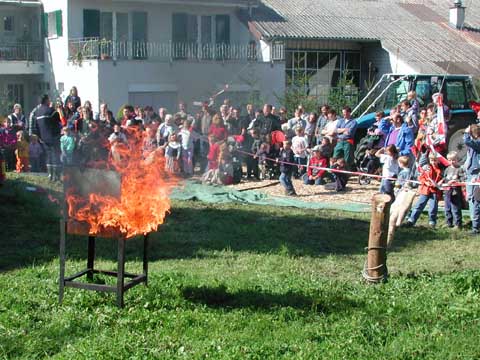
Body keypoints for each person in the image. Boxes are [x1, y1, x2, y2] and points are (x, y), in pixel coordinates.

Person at [404, 153, 443, 228]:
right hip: (425, 189)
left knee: (433, 207)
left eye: (435, 160)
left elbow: (441, 179)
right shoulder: (427, 167)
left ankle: (432, 222)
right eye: (431, 160)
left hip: (434, 190)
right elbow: (421, 177)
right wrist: (425, 182)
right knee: (419, 205)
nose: (433, 162)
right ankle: (411, 220)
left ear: (438, 160)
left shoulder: (439, 169)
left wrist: (439, 183)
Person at [33, 94, 62, 181]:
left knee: (48, 156)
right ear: (46, 100)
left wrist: (39, 137)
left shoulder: (37, 112)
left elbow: (36, 126)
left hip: (43, 138)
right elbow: (58, 120)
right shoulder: (51, 111)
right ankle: (56, 176)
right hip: (53, 137)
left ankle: (50, 175)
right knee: (55, 156)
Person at [463, 124, 480, 234]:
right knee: (471, 199)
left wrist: (466, 132)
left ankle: (475, 226)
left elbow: (467, 141)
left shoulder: (478, 143)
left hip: (476, 174)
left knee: (475, 200)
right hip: (470, 173)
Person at [443, 151, 465, 229]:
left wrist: (456, 181)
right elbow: (444, 179)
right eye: (449, 160)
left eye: (453, 160)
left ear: (457, 159)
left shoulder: (459, 169)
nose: (452, 162)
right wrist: (445, 181)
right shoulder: (447, 169)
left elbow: (463, 180)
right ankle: (448, 222)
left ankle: (458, 224)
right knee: (447, 208)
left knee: (455, 208)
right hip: (447, 192)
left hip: (455, 192)